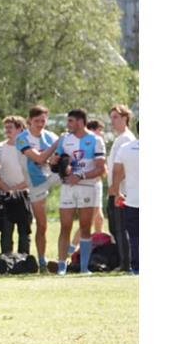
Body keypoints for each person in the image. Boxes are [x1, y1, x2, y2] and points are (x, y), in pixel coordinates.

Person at [56, 109, 107, 274]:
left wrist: (81, 175)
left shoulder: (96, 140)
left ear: (80, 122)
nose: (67, 124)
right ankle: (62, 266)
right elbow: (55, 163)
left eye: (70, 121)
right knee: (65, 226)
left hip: (87, 187)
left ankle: (84, 267)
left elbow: (101, 168)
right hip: (67, 187)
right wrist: (60, 165)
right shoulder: (65, 139)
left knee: (85, 227)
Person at [17, 106, 62, 271]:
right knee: (42, 225)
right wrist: (56, 146)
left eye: (43, 121)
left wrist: (58, 157)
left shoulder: (50, 136)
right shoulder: (22, 138)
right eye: (37, 121)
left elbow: (59, 155)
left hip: (53, 177)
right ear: (29, 120)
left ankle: (67, 255)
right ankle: (42, 261)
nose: (40, 124)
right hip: (35, 182)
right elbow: (40, 158)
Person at [0, 116, 34, 256]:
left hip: (25, 194)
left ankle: (24, 259)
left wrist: (20, 187)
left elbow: (35, 171)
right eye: (6, 127)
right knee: (6, 230)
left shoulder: (28, 148)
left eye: (10, 127)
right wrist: (6, 189)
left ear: (20, 128)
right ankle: (7, 258)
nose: (7, 130)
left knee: (24, 230)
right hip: (6, 196)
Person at [106, 105, 136, 272]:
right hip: (117, 188)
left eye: (116, 117)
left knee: (121, 228)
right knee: (115, 228)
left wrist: (115, 188)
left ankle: (127, 264)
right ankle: (124, 262)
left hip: (122, 191)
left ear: (125, 118)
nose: (113, 121)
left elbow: (124, 166)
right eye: (112, 117)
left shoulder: (126, 139)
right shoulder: (119, 138)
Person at [111, 137, 139, 274]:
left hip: (133, 200)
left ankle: (136, 267)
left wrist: (117, 193)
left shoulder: (125, 148)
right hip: (133, 200)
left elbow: (116, 172)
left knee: (134, 236)